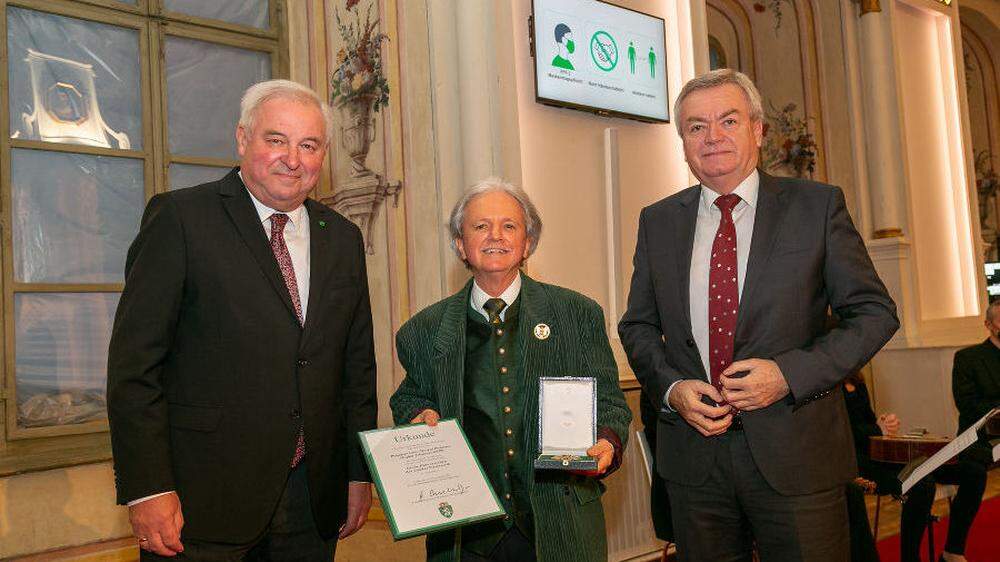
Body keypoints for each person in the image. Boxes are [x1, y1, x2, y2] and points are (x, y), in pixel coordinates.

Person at [618, 68, 899, 561]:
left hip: (799, 457)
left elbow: (874, 313)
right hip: (694, 462)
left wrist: (789, 374)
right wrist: (671, 388)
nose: (712, 137)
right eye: (696, 127)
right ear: (682, 142)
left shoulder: (817, 208)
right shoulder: (657, 221)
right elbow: (638, 325)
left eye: (728, 120)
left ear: (758, 129)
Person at [107, 79, 377, 561]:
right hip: (201, 501)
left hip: (312, 501)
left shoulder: (342, 238)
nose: (293, 159)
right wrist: (147, 489)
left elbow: (356, 369)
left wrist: (358, 472)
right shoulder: (181, 219)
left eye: (309, 145)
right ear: (242, 139)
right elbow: (134, 369)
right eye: (277, 140)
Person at [390, 178, 632, 562]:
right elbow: (410, 398)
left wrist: (606, 441)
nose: (495, 236)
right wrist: (417, 417)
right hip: (466, 536)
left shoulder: (576, 315)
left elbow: (610, 404)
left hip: (560, 523)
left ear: (528, 242)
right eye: (480, 226)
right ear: (460, 244)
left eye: (509, 226)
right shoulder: (424, 330)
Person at [842, 373, 936, 562]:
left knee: (923, 480)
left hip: (868, 456)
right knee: (917, 483)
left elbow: (867, 422)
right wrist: (877, 429)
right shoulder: (825, 384)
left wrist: (884, 423)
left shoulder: (856, 380)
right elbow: (841, 432)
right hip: (846, 463)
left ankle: (910, 557)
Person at [941, 301, 1000, 562]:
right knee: (973, 472)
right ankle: (953, 550)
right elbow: (967, 403)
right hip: (981, 438)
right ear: (988, 325)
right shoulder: (968, 358)